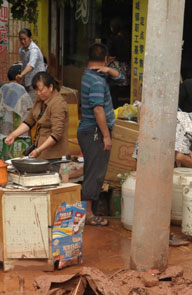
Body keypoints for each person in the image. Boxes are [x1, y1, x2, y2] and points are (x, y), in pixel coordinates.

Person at [77, 42, 123, 227]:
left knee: (93, 171)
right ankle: (88, 214)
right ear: (105, 58)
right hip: (94, 132)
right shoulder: (96, 81)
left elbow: (121, 78)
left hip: (90, 131)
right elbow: (98, 110)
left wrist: (107, 70)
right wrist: (106, 135)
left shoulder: (91, 75)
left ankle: (90, 211)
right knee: (94, 173)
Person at [4, 72, 67, 160]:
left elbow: (57, 134)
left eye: (41, 90)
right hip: (40, 150)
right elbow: (29, 121)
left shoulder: (58, 103)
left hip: (54, 155)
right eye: (36, 90)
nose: (38, 93)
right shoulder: (40, 100)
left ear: (51, 87)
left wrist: (38, 150)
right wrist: (13, 135)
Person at [0, 64, 33, 155]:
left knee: (5, 153)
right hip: (19, 130)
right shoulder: (21, 89)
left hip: (3, 128)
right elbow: (30, 108)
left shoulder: (3, 88)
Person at [16, 29, 47, 94]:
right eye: (21, 39)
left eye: (25, 39)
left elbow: (31, 65)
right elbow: (24, 65)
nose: (23, 41)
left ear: (30, 38)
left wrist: (21, 75)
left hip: (37, 81)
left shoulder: (34, 50)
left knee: (33, 102)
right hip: (27, 81)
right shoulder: (21, 50)